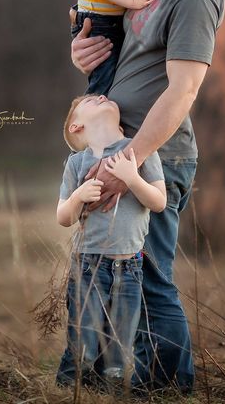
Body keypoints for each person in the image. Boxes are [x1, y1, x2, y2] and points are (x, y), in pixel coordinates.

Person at [57, 0, 225, 395]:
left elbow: (184, 88)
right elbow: (129, 46)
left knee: (150, 280)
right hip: (119, 150)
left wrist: (124, 164)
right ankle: (90, 377)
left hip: (156, 156)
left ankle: (166, 388)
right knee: (101, 274)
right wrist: (80, 51)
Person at [56, 92, 165, 392]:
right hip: (88, 265)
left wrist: (132, 178)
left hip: (129, 267)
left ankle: (109, 393)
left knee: (119, 349)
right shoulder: (77, 163)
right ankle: (68, 391)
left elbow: (158, 202)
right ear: (76, 126)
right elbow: (63, 217)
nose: (102, 95)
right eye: (91, 100)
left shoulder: (141, 152)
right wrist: (78, 196)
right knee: (85, 343)